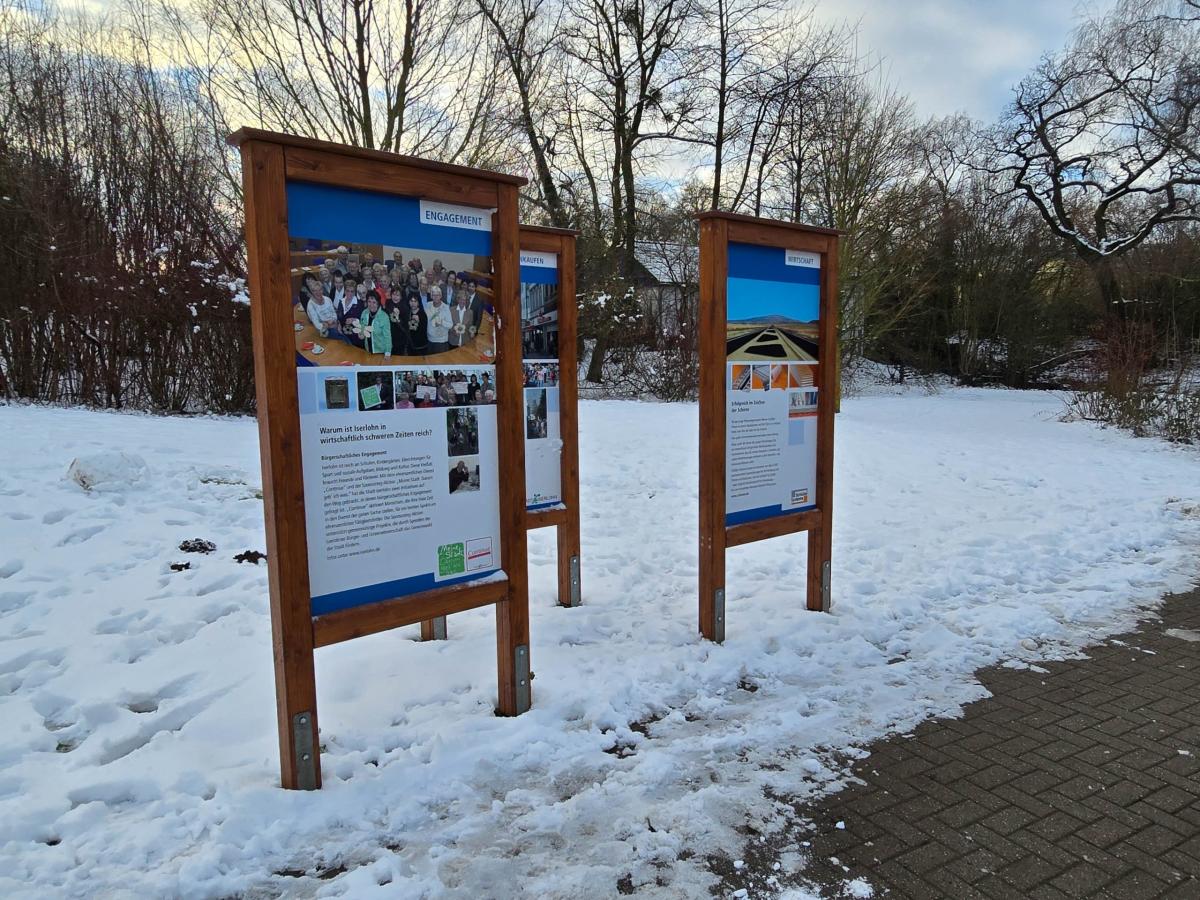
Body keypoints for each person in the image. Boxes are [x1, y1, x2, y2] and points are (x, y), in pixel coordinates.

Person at [360, 294, 392, 358]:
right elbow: (361, 327)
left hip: (380, 353)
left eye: (374, 302)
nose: (371, 305)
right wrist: (361, 333)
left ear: (378, 303)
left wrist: (388, 352)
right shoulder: (364, 312)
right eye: (369, 301)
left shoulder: (384, 316)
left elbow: (387, 336)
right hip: (367, 350)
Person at [425, 285, 451, 354]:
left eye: (438, 295)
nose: (436, 297)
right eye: (433, 295)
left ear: (441, 296)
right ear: (431, 296)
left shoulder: (446, 307)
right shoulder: (427, 305)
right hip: (430, 339)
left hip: (441, 341)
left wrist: (441, 322)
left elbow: (450, 325)